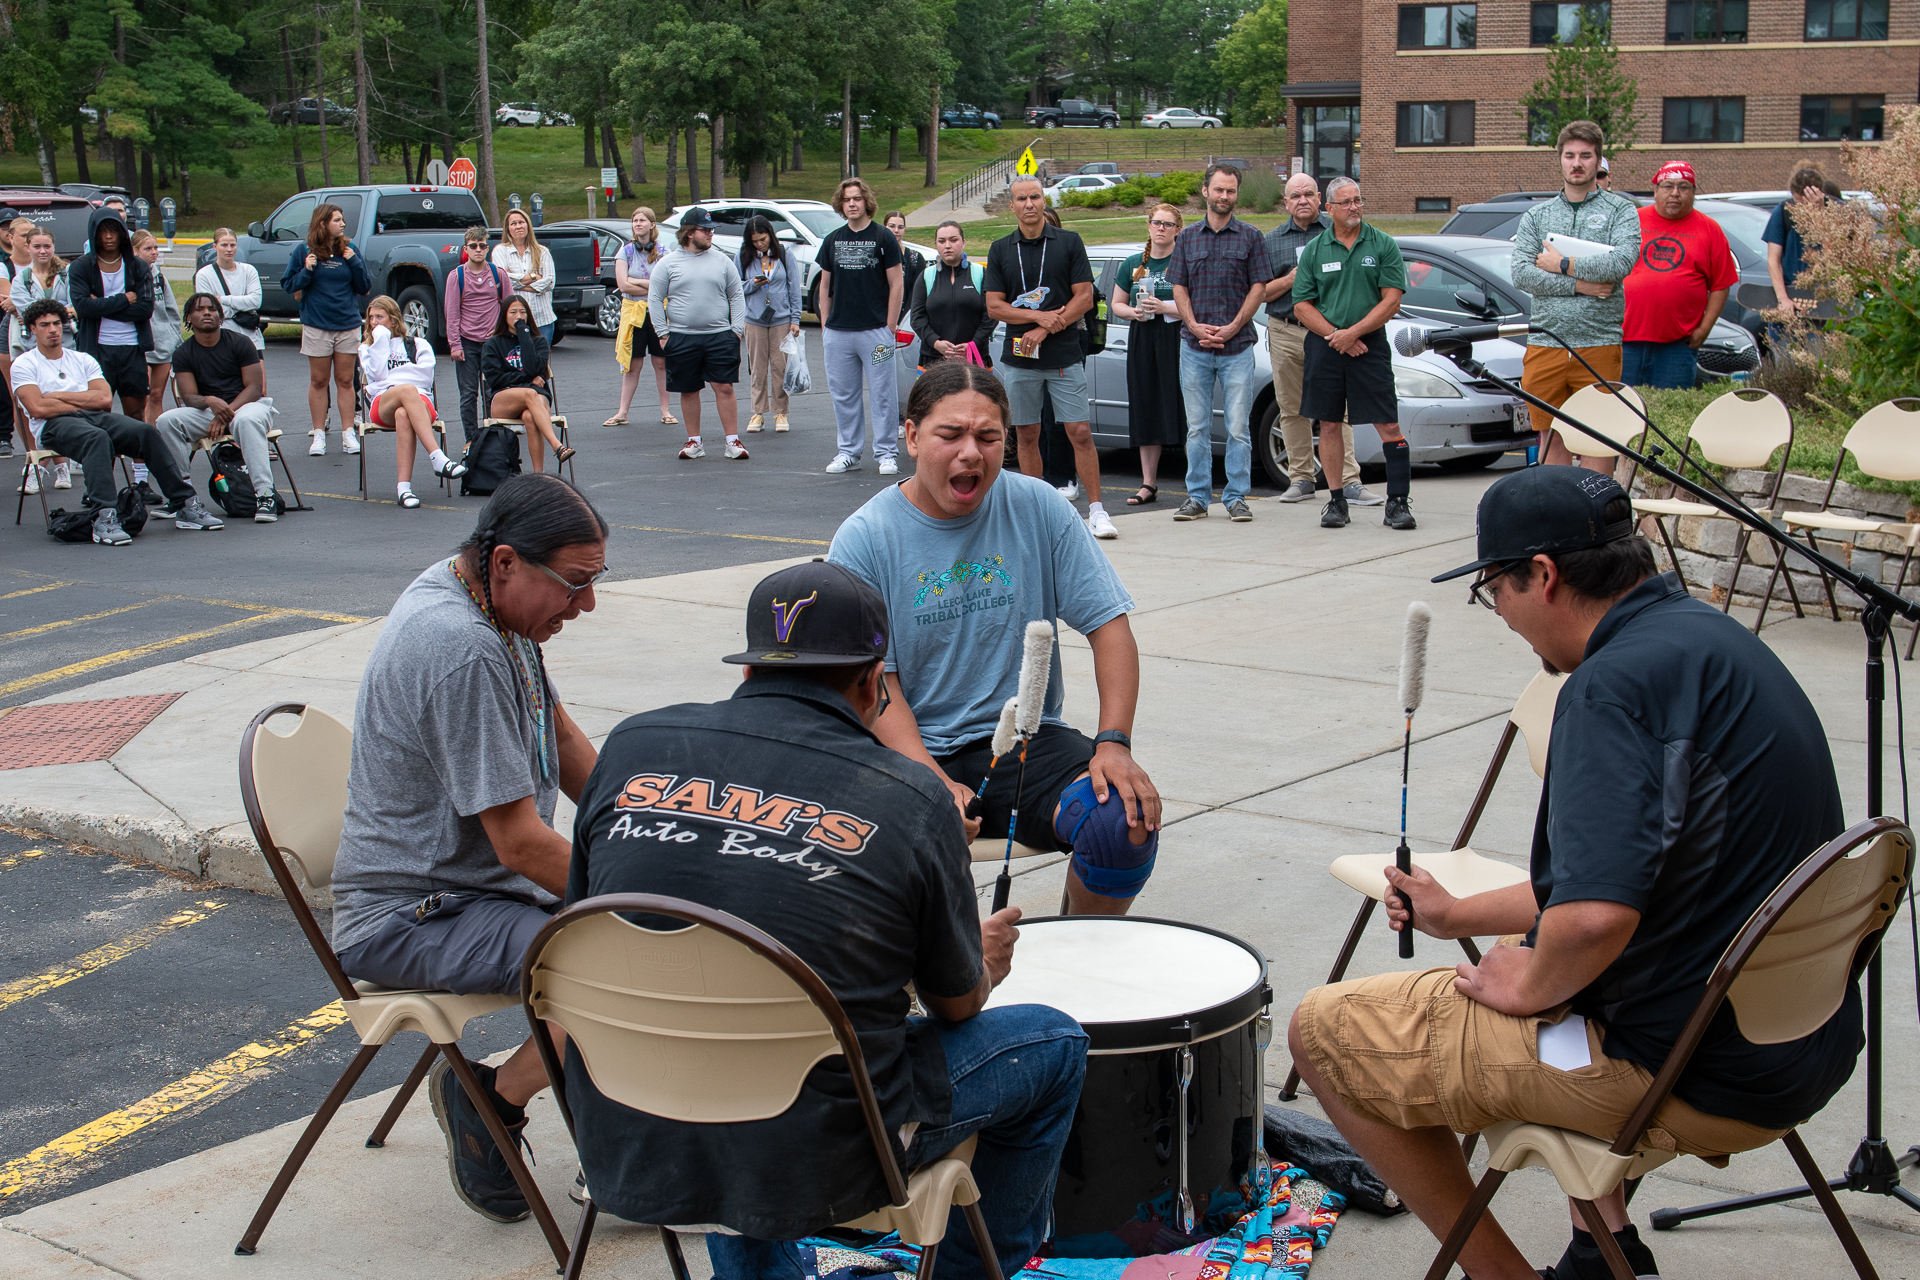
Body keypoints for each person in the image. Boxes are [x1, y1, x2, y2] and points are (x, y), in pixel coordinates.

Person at [1291, 465, 1860, 1280]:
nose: (1504, 618)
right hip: (1797, 1045)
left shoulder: (1608, 690)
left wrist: (1530, 986)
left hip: (1682, 1070)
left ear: (1545, 577)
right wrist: (1455, 918)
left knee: (1325, 1031)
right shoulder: (1714, 642)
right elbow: (1617, 880)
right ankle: (1603, 1250)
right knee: (1546, 952)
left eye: (1496, 591)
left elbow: (1593, 918)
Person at [564, 558, 1086, 1280]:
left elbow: (584, 926)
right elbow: (956, 1003)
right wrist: (983, 962)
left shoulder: (630, 746)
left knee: (730, 1013)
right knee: (1053, 1042)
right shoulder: (909, 796)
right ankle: (973, 1269)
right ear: (874, 685)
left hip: (626, 1117)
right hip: (824, 1153)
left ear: (748, 673)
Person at [329, 474, 606, 1225]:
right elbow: (519, 844)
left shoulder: (487, 600)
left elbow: (563, 734)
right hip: (414, 912)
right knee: (628, 961)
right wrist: (637, 883)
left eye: (595, 581)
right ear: (507, 561)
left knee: (652, 929)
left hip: (475, 889)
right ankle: (493, 1098)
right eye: (575, 585)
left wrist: (637, 824)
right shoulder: (462, 648)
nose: (585, 605)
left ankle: (609, 1134)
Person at [829, 361, 1164, 918]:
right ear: (912, 436)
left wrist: (1114, 742)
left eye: (988, 437)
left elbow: (1110, 627)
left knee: (1121, 820)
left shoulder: (1040, 507)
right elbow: (873, 681)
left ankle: (1076, 957)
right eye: (950, 434)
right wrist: (930, 779)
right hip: (906, 750)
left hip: (1023, 742)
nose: (971, 453)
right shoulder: (865, 537)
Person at [11, 298, 223, 544]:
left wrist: (56, 395)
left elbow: (102, 400)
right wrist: (81, 399)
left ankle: (184, 503)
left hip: (95, 417)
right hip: (53, 425)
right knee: (96, 438)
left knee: (146, 431)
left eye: (57, 323)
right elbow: (37, 407)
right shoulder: (25, 363)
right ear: (33, 328)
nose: (53, 329)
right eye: (45, 324)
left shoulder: (82, 359)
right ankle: (104, 517)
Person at [981, 175, 1108, 536]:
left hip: (1064, 353)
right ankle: (1036, 512)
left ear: (1043, 199)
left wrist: (1046, 328)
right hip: (1021, 358)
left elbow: (1084, 297)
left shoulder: (1068, 242)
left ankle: (1097, 511)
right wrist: (1037, 317)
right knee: (1026, 433)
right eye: (1021, 198)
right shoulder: (1001, 248)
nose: (1029, 204)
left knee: (1079, 431)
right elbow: (994, 306)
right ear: (1012, 206)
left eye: (1035, 196)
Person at [1509, 121, 1640, 469]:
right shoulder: (1537, 216)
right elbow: (1522, 273)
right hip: (1545, 342)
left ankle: (1598, 517)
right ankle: (1561, 518)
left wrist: (1561, 264)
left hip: (1599, 341)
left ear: (1598, 161)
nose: (1577, 163)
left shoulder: (1620, 211)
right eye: (1570, 155)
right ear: (1560, 160)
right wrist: (1581, 285)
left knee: (1600, 436)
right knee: (1550, 434)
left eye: (1585, 155)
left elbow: (1621, 262)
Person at [1292, 177, 1415, 531]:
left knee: (1388, 424)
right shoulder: (1316, 249)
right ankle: (1336, 502)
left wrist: (1354, 333)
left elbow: (1392, 299)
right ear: (1328, 209)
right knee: (1329, 423)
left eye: (1358, 200)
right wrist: (1335, 335)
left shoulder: (1383, 244)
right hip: (1325, 344)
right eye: (1345, 202)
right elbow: (1302, 304)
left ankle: (1397, 503)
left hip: (1368, 344)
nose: (1354, 207)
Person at [1167, 164, 1272, 526]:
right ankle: (1196, 497)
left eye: (1230, 191)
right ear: (1205, 191)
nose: (1224, 196)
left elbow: (1259, 286)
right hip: (1194, 348)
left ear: (1236, 194)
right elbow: (1178, 285)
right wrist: (1193, 324)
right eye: (1218, 190)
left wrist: (1233, 326)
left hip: (1237, 347)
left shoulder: (1251, 236)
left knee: (1238, 427)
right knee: (1196, 427)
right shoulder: (1188, 237)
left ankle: (1236, 497)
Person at [1263, 175, 1371, 507]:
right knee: (1291, 407)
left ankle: (1350, 481)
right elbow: (1260, 293)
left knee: (1338, 409)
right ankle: (1301, 478)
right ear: (1286, 202)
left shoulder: (1336, 234)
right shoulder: (1271, 241)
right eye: (1295, 195)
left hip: (1331, 333)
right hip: (1286, 329)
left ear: (1320, 198)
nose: (1302, 200)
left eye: (1308, 193)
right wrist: (1290, 279)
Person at [157, 293, 281, 523]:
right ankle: (181, 496)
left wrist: (226, 414)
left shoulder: (240, 342)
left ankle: (265, 495)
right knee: (166, 420)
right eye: (199, 309)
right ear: (189, 318)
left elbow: (255, 388)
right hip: (209, 412)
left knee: (245, 420)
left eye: (212, 309)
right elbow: (189, 396)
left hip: (248, 406)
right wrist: (210, 401)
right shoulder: (183, 352)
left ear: (220, 316)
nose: (206, 313)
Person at [1621, 160, 1736, 391]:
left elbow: (1721, 284)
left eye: (1683, 187)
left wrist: (1704, 330)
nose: (1675, 193)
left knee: (1667, 416)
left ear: (1693, 193)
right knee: (1618, 412)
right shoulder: (1630, 220)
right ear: (1655, 190)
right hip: (1624, 340)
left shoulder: (1710, 230)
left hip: (1677, 346)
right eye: (1667, 186)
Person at [819, 178, 905, 476]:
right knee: (844, 395)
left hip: (876, 331)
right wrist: (825, 325)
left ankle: (886, 453)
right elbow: (825, 285)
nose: (852, 204)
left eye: (856, 198)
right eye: (847, 200)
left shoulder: (884, 238)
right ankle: (848, 452)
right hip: (839, 332)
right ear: (841, 205)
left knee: (883, 393)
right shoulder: (832, 240)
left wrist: (890, 325)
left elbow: (897, 283)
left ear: (866, 201)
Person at [650, 207, 748, 462]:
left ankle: (732, 442)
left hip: (719, 336)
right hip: (681, 336)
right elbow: (654, 298)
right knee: (689, 389)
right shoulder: (668, 263)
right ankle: (694, 441)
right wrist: (663, 334)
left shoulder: (722, 260)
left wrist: (736, 331)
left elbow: (736, 295)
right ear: (689, 233)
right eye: (705, 230)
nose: (711, 234)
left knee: (724, 386)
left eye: (711, 229)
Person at [357, 294, 467, 507]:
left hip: (420, 402)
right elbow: (377, 376)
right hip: (384, 402)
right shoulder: (367, 348)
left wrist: (394, 379)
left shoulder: (419, 344)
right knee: (406, 390)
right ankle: (437, 457)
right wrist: (380, 340)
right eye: (371, 318)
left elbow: (425, 377)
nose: (374, 322)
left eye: (380, 317)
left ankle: (403, 490)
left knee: (403, 413)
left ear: (393, 319)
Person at [1109, 204, 1185, 508]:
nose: (1162, 228)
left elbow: (1198, 307)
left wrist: (1165, 307)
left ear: (1179, 229)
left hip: (1179, 338)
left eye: (1168, 224)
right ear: (1148, 226)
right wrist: (1135, 313)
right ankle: (1148, 483)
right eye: (1157, 222)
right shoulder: (1131, 264)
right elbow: (1117, 304)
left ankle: (1196, 482)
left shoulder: (1184, 261)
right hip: (1143, 338)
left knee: (1185, 406)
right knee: (1147, 406)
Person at [285, 201, 372, 457]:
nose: (342, 223)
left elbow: (364, 287)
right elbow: (289, 285)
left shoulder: (350, 249)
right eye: (337, 220)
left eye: (342, 219)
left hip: (347, 324)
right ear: (323, 223)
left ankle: (348, 434)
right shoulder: (304, 250)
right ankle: (319, 434)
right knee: (319, 380)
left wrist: (354, 261)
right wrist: (307, 270)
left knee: (346, 381)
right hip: (317, 325)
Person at [70, 203, 154, 423]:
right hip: (96, 349)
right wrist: (124, 299)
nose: (108, 237)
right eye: (102, 231)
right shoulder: (81, 267)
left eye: (114, 230)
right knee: (98, 412)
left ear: (123, 233)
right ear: (93, 233)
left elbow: (145, 309)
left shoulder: (138, 267)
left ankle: (138, 459)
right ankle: (103, 456)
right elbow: (83, 308)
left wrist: (102, 306)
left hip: (132, 347)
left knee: (136, 412)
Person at [483, 295, 573, 474]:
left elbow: (534, 368)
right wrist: (526, 380)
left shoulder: (538, 342)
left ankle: (537, 476)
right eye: (513, 312)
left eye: (523, 312)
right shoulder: (493, 343)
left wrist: (524, 334)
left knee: (530, 417)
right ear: (504, 315)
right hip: (504, 399)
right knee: (530, 393)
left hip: (535, 400)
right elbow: (495, 378)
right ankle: (557, 445)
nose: (519, 316)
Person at [444, 224, 515, 448]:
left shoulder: (498, 274)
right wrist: (455, 344)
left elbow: (510, 308)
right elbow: (452, 313)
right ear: (466, 249)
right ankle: (471, 440)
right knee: (468, 394)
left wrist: (509, 339)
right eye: (473, 246)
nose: (478, 250)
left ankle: (494, 437)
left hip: (493, 343)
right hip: (467, 342)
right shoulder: (457, 276)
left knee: (493, 392)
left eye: (482, 246)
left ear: (487, 248)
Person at [607, 207, 675, 428]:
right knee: (632, 364)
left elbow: (666, 286)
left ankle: (665, 410)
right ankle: (622, 411)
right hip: (633, 313)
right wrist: (650, 285)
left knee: (661, 363)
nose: (638, 224)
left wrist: (636, 281)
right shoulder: (625, 252)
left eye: (642, 220)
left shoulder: (663, 251)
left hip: (658, 313)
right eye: (635, 220)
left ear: (652, 224)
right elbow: (622, 285)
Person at [737, 215, 802, 433]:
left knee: (779, 366)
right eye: (755, 240)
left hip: (781, 319)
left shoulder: (784, 254)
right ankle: (757, 412)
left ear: (770, 235)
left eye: (763, 239)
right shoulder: (743, 255)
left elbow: (794, 288)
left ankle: (780, 412)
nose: (760, 243)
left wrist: (795, 319)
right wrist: (753, 285)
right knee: (757, 367)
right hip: (754, 319)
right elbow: (736, 288)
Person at [909, 219, 994, 374]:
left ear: (963, 242)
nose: (947, 245)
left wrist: (973, 344)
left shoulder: (980, 274)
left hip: (974, 358)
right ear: (936, 244)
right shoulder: (926, 276)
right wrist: (935, 342)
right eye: (941, 241)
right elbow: (917, 317)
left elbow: (991, 315)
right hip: (933, 360)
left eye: (953, 240)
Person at [1764, 164, 1830, 339]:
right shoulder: (1783, 211)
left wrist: (1820, 216)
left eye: (1805, 204)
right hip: (1789, 298)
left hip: (1823, 305)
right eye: (1797, 203)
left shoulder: (1835, 211)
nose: (1799, 210)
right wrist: (1783, 299)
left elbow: (1836, 255)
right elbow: (1773, 260)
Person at [132, 231, 181, 451]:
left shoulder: (159, 276)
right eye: (148, 249)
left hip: (162, 342)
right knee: (140, 396)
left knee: (157, 394)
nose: (153, 253)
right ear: (135, 251)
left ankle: (155, 440)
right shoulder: (129, 276)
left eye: (155, 248)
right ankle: (139, 440)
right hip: (138, 343)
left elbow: (171, 310)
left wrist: (174, 336)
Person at [194, 227, 266, 358]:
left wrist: (222, 300)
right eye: (224, 245)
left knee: (258, 377)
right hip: (221, 338)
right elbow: (210, 310)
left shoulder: (248, 270)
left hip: (251, 338)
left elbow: (255, 302)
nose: (229, 249)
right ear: (215, 246)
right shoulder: (204, 275)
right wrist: (243, 307)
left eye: (232, 245)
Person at [491, 209, 555, 343]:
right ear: (508, 229)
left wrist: (516, 284)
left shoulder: (543, 252)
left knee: (540, 363)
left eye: (521, 222)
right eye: (513, 223)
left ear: (528, 225)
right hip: (512, 323)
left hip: (542, 321)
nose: (518, 226)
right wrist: (534, 276)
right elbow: (502, 280)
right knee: (515, 362)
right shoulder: (500, 251)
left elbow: (549, 282)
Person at [885, 210, 927, 282]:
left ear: (904, 230)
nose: (896, 230)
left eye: (900, 227)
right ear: (884, 228)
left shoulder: (916, 259)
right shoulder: (876, 257)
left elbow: (919, 289)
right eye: (892, 226)